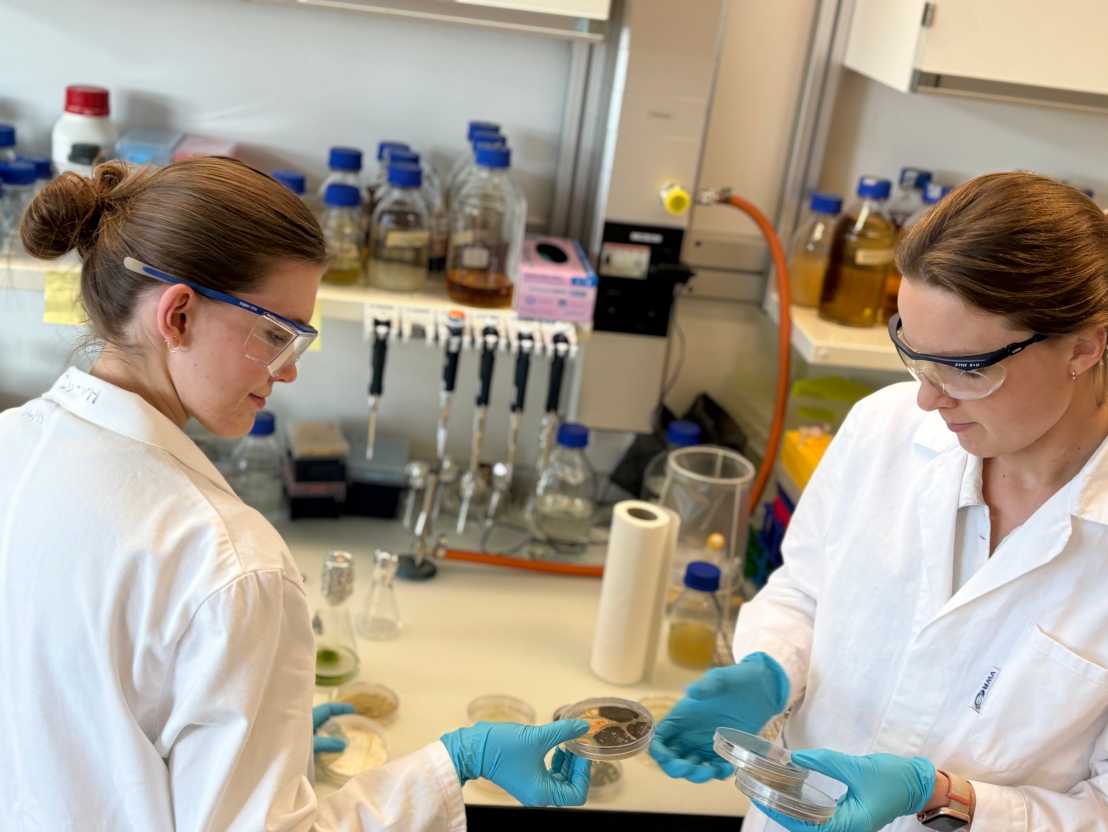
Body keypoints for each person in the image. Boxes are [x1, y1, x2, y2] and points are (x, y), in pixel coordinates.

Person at [0, 158, 590, 830]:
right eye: (276, 334)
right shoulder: (226, 560)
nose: (290, 368)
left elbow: (67, 715)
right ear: (180, 314)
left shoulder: (11, 444)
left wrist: (244, 740)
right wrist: (451, 765)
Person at [651, 172, 1108, 830]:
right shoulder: (886, 428)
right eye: (914, 353)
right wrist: (772, 668)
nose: (928, 397)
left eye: (967, 369)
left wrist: (947, 795)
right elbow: (807, 590)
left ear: (1085, 346)